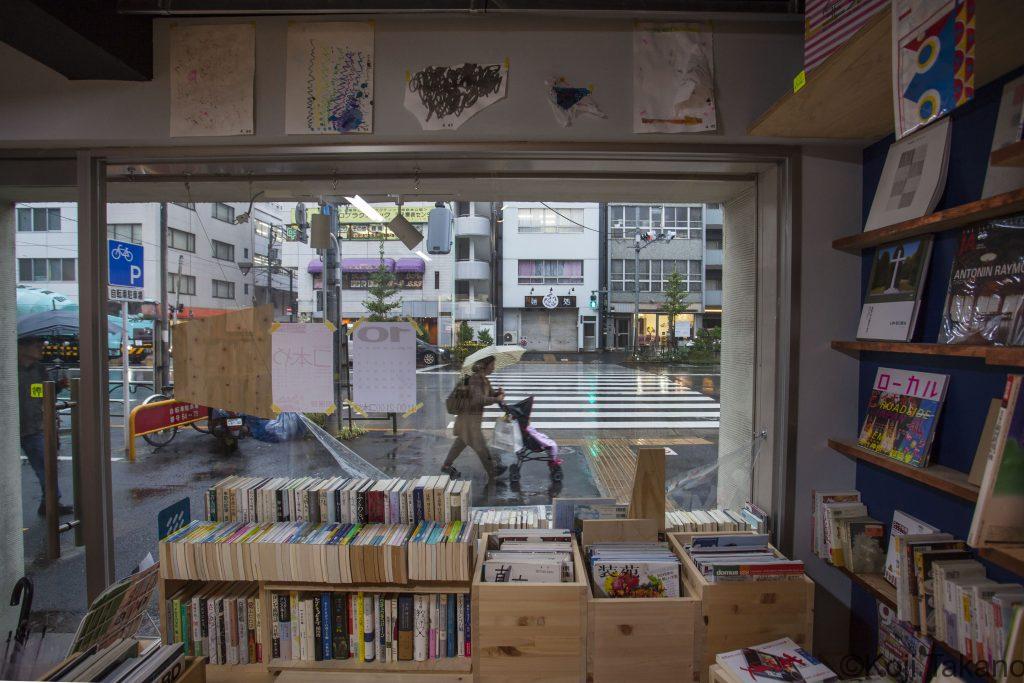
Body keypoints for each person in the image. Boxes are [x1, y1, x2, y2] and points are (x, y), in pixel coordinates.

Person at [18, 336, 72, 516]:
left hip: (33, 426)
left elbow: (43, 394)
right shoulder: (9, 368)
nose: (41, 349)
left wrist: (58, 386)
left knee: (47, 465)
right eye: (37, 345)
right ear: (22, 347)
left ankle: (50, 502)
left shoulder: (39, 370)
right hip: (12, 427)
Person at [442, 356, 507, 480]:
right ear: (485, 365)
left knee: (461, 442)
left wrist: (498, 393)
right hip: (468, 419)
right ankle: (492, 471)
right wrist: (495, 399)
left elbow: (489, 394)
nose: (494, 368)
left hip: (472, 419)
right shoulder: (475, 379)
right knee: (481, 446)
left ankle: (446, 465)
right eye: (492, 365)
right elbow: (478, 399)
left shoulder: (484, 380)